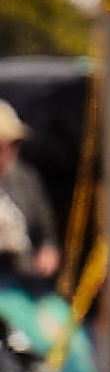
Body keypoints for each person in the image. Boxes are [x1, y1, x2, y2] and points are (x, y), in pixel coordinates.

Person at [0, 100, 61, 284]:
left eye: (13, 145)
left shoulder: (26, 179)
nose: (7, 153)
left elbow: (46, 233)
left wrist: (48, 250)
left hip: (25, 281)